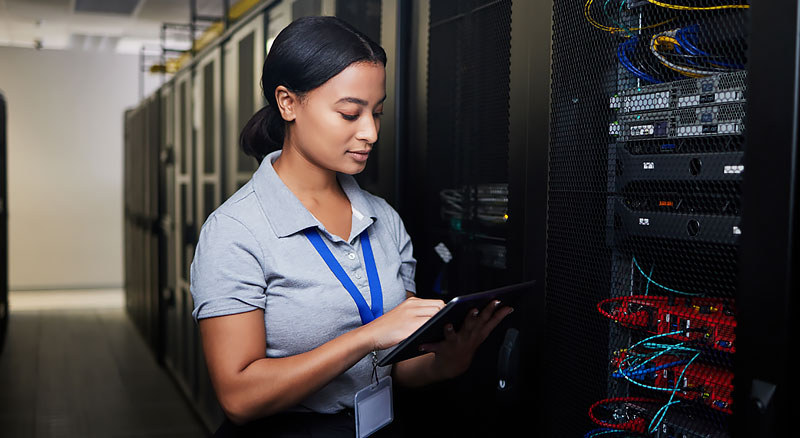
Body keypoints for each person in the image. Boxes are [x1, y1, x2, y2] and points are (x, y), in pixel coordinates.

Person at [189, 16, 513, 437]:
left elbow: (398, 366)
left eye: (377, 113)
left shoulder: (384, 219)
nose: (371, 132)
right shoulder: (236, 231)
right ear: (287, 103)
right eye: (349, 113)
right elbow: (240, 398)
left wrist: (443, 362)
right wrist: (366, 337)